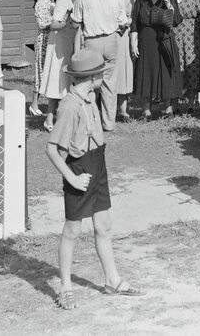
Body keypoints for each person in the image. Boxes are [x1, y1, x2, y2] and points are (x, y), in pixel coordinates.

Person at [47, 48, 141, 310]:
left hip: (98, 163)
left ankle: (112, 280)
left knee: (103, 224)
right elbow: (52, 149)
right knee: (72, 229)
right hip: (79, 169)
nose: (104, 76)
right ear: (92, 76)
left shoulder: (89, 97)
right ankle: (65, 287)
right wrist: (72, 179)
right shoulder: (69, 106)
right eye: (101, 72)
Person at [70, 0, 127, 131]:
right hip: (110, 39)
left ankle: (91, 119)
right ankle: (109, 122)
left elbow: (75, 22)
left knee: (89, 81)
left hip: (92, 40)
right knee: (109, 82)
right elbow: (122, 21)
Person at [41, 0, 89, 133]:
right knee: (58, 79)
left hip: (74, 41)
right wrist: (70, 18)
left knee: (71, 80)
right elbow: (55, 24)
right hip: (61, 43)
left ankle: (69, 116)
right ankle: (49, 118)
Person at [132, 0, 183, 120]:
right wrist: (133, 43)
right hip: (145, 39)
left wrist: (168, 2)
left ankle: (168, 109)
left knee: (166, 72)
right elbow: (135, 23)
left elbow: (176, 21)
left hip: (165, 39)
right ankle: (146, 110)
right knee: (146, 72)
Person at [171, 0, 200, 112]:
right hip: (174, 33)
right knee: (175, 67)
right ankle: (174, 103)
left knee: (192, 67)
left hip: (192, 34)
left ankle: (191, 104)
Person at [33, 0, 61, 117]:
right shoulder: (43, 2)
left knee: (46, 71)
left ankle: (49, 104)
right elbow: (42, 24)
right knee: (41, 71)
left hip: (50, 37)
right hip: (44, 38)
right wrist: (57, 24)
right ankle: (34, 103)